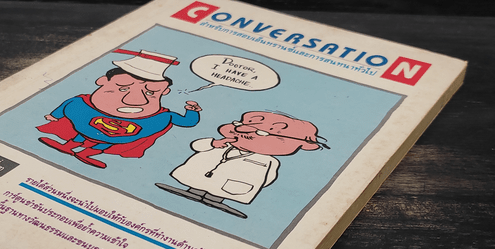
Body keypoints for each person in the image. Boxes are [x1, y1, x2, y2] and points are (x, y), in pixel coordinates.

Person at [38, 49, 201, 168]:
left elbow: (187, 122)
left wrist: (192, 111)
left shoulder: (161, 117)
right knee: (83, 136)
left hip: (114, 139)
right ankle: (67, 146)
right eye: (123, 88)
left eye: (151, 92)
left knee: (104, 143)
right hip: (85, 130)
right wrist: (55, 116)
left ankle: (86, 154)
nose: (135, 100)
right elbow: (67, 105)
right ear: (102, 81)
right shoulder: (81, 104)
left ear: (164, 92)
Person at [156, 111, 327, 218]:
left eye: (260, 132)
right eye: (239, 125)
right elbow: (197, 146)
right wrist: (214, 143)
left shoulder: (269, 161)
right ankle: (194, 192)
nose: (242, 130)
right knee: (198, 182)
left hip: (236, 184)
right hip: (204, 173)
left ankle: (213, 200)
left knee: (219, 191)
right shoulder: (223, 143)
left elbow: (268, 178)